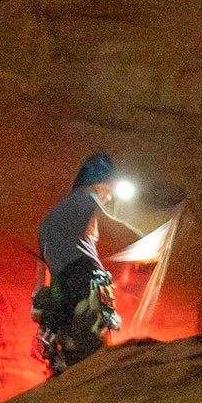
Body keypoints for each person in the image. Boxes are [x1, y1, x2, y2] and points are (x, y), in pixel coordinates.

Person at [33, 153, 135, 372]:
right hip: (87, 279)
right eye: (109, 192)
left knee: (68, 350)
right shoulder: (87, 199)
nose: (109, 199)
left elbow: (42, 271)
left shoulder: (46, 222)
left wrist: (41, 302)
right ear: (101, 185)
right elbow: (120, 229)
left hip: (61, 287)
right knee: (92, 352)